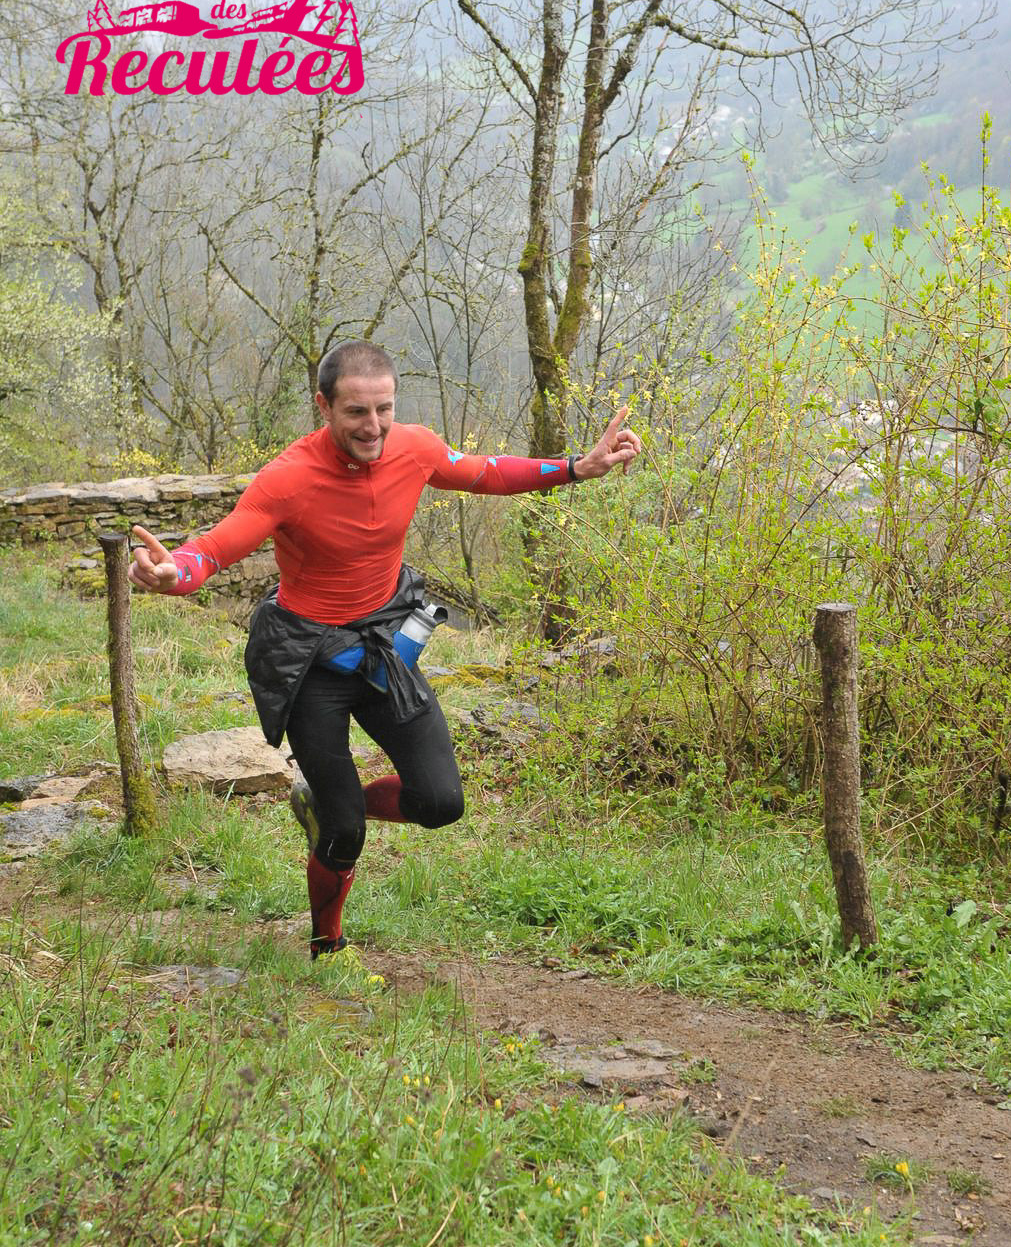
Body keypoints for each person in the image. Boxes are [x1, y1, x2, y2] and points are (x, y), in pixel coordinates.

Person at [130, 339, 641, 963]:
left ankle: (325, 804)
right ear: (324, 407)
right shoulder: (288, 478)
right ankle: (328, 944)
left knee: (441, 803)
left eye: (384, 409)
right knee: (344, 833)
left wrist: (576, 467)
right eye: (356, 412)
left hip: (381, 648)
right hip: (311, 663)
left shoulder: (414, 448)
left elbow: (486, 471)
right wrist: (173, 574)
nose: (372, 426)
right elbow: (213, 549)